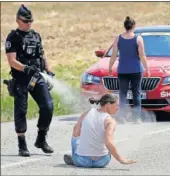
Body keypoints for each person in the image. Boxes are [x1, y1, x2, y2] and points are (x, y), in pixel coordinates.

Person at [4, 4, 55, 157]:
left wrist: (49, 70)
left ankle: (41, 139)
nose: (29, 24)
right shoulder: (13, 37)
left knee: (48, 106)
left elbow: (42, 55)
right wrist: (25, 68)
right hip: (21, 79)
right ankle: (22, 145)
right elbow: (12, 61)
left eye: (30, 21)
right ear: (18, 20)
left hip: (37, 77)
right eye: (26, 21)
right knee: (21, 111)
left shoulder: (36, 35)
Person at [63, 94, 136, 168]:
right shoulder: (110, 121)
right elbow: (108, 142)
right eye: (116, 105)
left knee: (75, 140)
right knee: (106, 149)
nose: (118, 108)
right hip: (101, 161)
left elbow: (76, 132)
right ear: (108, 104)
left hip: (82, 161)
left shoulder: (87, 112)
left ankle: (74, 158)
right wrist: (121, 159)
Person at [108, 16, 150, 124]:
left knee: (122, 94)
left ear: (125, 26)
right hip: (136, 70)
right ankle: (136, 118)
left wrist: (110, 67)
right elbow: (142, 55)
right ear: (133, 26)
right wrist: (147, 69)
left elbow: (113, 55)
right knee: (136, 93)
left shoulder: (118, 38)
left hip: (122, 70)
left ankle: (121, 117)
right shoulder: (138, 39)